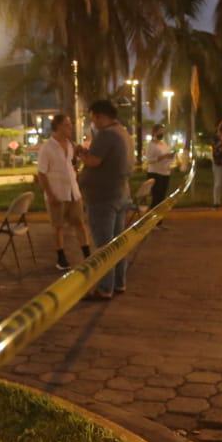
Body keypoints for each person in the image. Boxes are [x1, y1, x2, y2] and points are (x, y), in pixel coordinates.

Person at [79, 99, 132, 300]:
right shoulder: (123, 133)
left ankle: (104, 288)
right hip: (120, 194)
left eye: (93, 117)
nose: (93, 121)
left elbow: (94, 161)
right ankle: (119, 283)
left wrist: (81, 154)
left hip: (103, 198)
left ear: (100, 116)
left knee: (104, 245)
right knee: (118, 244)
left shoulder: (106, 134)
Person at [36, 113, 93, 270]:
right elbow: (41, 173)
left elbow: (73, 162)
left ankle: (87, 254)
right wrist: (50, 194)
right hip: (57, 194)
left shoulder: (70, 144)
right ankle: (61, 258)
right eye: (68, 125)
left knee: (79, 223)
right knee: (58, 226)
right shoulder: (47, 148)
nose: (71, 127)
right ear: (59, 126)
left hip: (73, 193)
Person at [144, 127, 175, 210]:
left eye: (162, 132)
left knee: (162, 197)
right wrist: (163, 157)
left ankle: (158, 218)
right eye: (160, 132)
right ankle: (151, 217)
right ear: (154, 132)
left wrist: (171, 157)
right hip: (155, 173)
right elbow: (150, 160)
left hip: (165, 172)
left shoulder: (163, 144)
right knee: (156, 197)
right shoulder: (151, 145)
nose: (161, 134)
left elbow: (168, 154)